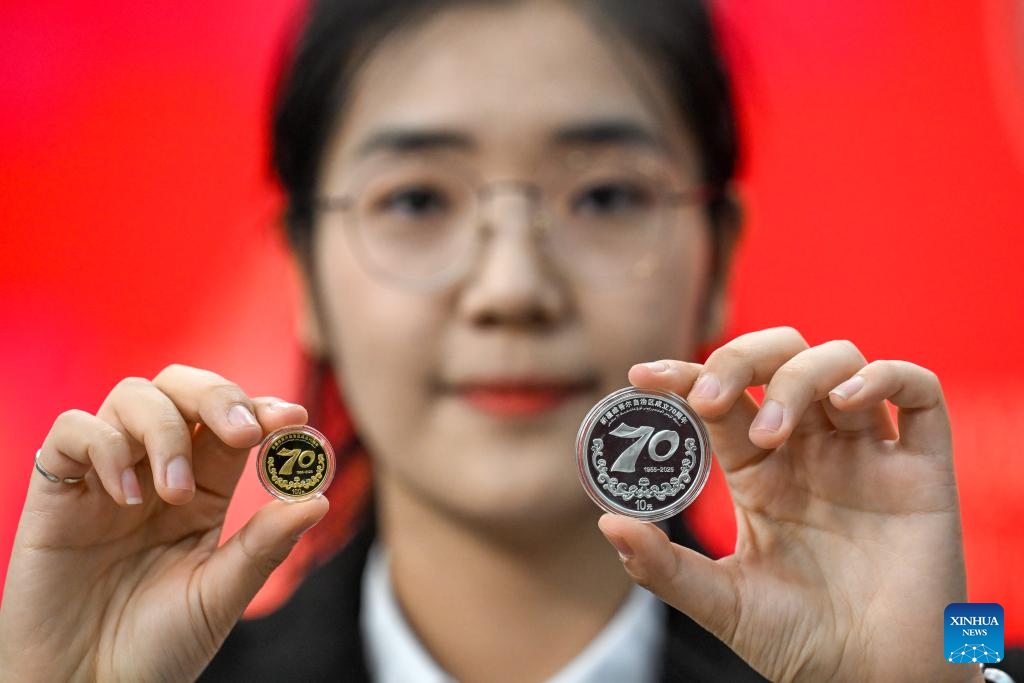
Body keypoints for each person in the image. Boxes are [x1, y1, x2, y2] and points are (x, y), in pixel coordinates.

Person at [1, 0, 1019, 681]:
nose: (512, 289)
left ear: (716, 257)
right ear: (302, 272)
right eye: (416, 199)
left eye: (605, 196)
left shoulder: (939, 667)